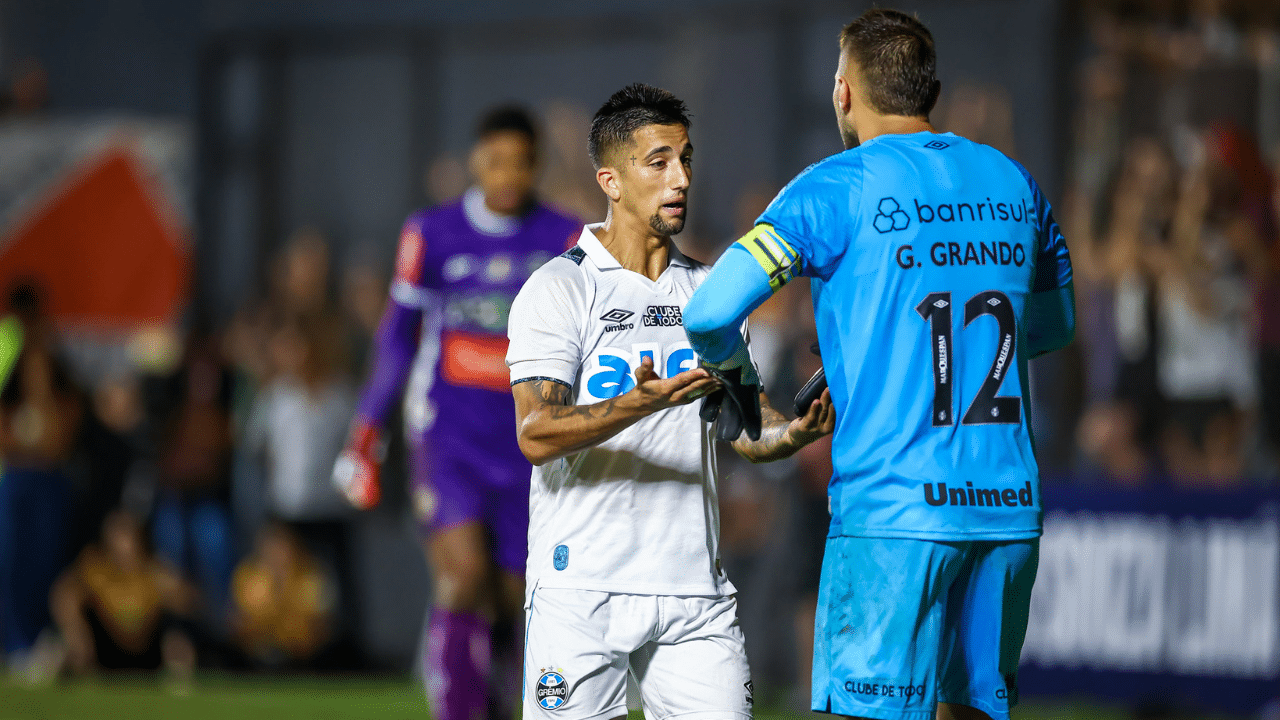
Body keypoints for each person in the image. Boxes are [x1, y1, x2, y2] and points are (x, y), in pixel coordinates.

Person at [683, 9, 1076, 720]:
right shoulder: (1014, 183)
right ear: (930, 87)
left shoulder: (835, 186)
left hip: (893, 516)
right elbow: (1051, 326)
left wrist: (745, 392)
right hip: (1006, 513)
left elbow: (709, 312)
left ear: (843, 91)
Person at [506, 83, 834, 720]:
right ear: (611, 180)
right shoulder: (558, 290)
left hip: (693, 594)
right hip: (581, 591)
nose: (680, 178)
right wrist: (639, 404)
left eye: (686, 159)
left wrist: (788, 435)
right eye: (658, 162)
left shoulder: (711, 296)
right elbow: (536, 433)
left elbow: (743, 425)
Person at [332, 106, 580, 720]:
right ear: (475, 162)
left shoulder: (567, 238)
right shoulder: (433, 234)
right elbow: (398, 336)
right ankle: (455, 709)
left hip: (528, 443)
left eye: (519, 163)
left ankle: (492, 693)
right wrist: (367, 427)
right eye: (494, 161)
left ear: (536, 166)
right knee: (462, 576)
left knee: (514, 594)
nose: (506, 175)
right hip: (449, 440)